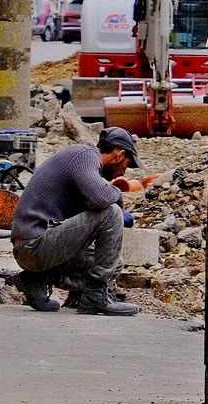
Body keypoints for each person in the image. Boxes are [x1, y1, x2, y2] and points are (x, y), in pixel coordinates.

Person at [10, 127, 149, 316]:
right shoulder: (85, 156)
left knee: (114, 264)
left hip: (39, 248)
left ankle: (38, 279)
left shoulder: (87, 165)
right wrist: (116, 194)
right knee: (111, 212)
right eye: (127, 164)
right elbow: (101, 199)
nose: (123, 172)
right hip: (33, 246)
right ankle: (94, 298)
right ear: (119, 155)